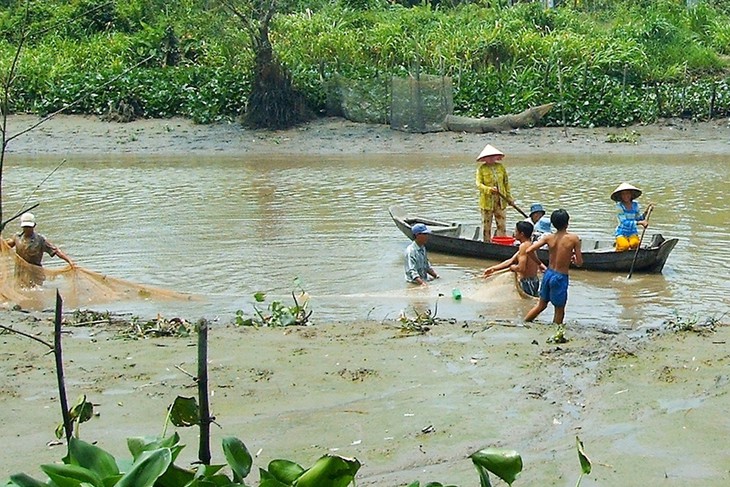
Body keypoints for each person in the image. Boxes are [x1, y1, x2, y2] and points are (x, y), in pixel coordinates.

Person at [523, 209, 582, 325]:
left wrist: (539, 263)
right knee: (559, 310)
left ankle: (525, 322)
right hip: (560, 277)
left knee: (541, 305)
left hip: (548, 274)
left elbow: (529, 250)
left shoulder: (548, 238)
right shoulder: (574, 239)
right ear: (567, 223)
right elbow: (579, 262)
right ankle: (556, 331)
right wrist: (574, 260)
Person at [4, 212, 74, 288]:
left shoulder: (40, 240)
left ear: (34, 225)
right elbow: (4, 246)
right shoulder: (17, 238)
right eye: (25, 226)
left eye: (29, 227)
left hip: (35, 275)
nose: (27, 229)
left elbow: (56, 251)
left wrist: (69, 261)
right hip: (19, 274)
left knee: (35, 293)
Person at [482, 221, 545, 297]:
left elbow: (521, 268)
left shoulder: (524, 246)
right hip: (533, 281)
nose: (514, 233)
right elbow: (510, 261)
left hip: (527, 283)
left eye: (516, 231)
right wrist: (493, 269)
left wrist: (513, 268)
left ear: (521, 234)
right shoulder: (528, 244)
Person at [475, 144, 513, 242]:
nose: (491, 159)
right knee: (486, 225)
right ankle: (486, 242)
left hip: (501, 201)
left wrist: (509, 198)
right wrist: (489, 189)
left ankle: (501, 242)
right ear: (485, 158)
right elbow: (479, 184)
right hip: (487, 203)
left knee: (501, 224)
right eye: (488, 157)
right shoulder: (481, 169)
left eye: (493, 156)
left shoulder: (501, 167)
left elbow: (506, 183)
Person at [611, 182, 653, 252]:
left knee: (635, 243)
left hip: (632, 232)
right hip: (621, 232)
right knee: (624, 246)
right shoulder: (619, 206)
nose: (625, 196)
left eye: (627, 193)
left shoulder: (635, 205)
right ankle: (618, 248)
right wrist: (640, 223)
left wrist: (647, 211)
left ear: (631, 194)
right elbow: (624, 222)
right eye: (623, 194)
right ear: (621, 196)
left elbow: (638, 218)